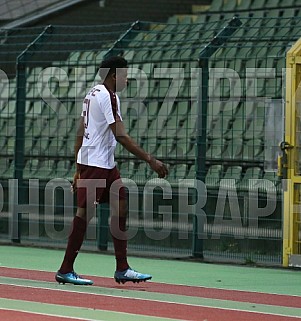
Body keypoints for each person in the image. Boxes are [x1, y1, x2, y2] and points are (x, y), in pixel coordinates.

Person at [55, 56, 168, 285]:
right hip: (95, 162)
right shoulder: (107, 96)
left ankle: (122, 268)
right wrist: (150, 160)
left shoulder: (94, 93)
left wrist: (77, 167)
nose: (127, 80)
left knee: (120, 205)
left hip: (103, 163)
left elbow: (80, 129)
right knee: (85, 213)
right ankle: (65, 269)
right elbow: (121, 135)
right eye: (125, 76)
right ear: (114, 75)